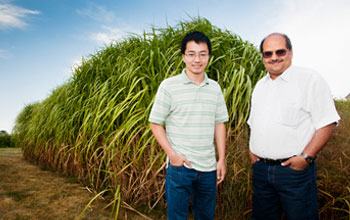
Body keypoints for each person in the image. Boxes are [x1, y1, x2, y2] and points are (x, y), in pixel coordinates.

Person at [247, 33, 340, 220]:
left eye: (280, 51)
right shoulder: (259, 86)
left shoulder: (309, 80)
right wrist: (252, 150)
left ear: (290, 52)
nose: (274, 57)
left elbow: (327, 122)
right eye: (267, 53)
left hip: (293, 173)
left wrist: (306, 157)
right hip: (261, 171)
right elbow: (253, 122)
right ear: (263, 57)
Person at [149, 31, 229, 220]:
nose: (197, 59)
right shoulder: (169, 86)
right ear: (184, 56)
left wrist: (222, 159)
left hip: (209, 168)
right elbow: (155, 123)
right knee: (177, 217)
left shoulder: (215, 88)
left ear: (209, 56)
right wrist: (172, 155)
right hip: (180, 167)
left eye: (202, 54)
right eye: (191, 54)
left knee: (206, 216)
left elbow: (219, 124)